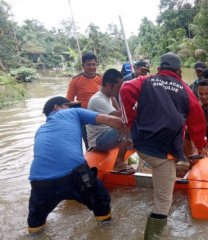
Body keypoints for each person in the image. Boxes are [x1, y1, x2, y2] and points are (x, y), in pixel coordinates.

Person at [119, 52, 207, 239]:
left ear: (159, 69)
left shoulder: (146, 80)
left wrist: (129, 120)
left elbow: (125, 89)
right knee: (163, 202)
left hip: (140, 145)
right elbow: (198, 120)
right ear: (179, 72)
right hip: (163, 154)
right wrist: (201, 145)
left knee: (161, 180)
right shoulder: (186, 90)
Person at [27, 96, 125, 234]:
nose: (72, 107)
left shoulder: (40, 130)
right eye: (68, 105)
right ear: (57, 106)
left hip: (39, 182)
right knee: (101, 199)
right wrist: (133, 128)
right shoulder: (73, 113)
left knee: (36, 220)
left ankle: (35, 231)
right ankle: (105, 230)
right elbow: (111, 120)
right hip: (73, 176)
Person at [87, 68, 133, 173]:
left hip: (107, 134)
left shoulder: (109, 96)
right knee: (129, 125)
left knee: (131, 125)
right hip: (99, 140)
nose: (120, 90)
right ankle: (119, 162)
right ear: (108, 85)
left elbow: (120, 111)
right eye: (118, 87)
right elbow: (122, 117)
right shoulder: (98, 99)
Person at [66, 52, 102, 149]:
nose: (91, 67)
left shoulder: (101, 79)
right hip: (84, 118)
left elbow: (110, 97)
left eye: (93, 64)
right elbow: (68, 101)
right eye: (88, 64)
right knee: (89, 145)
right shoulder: (75, 80)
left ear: (96, 65)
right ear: (83, 65)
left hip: (101, 116)